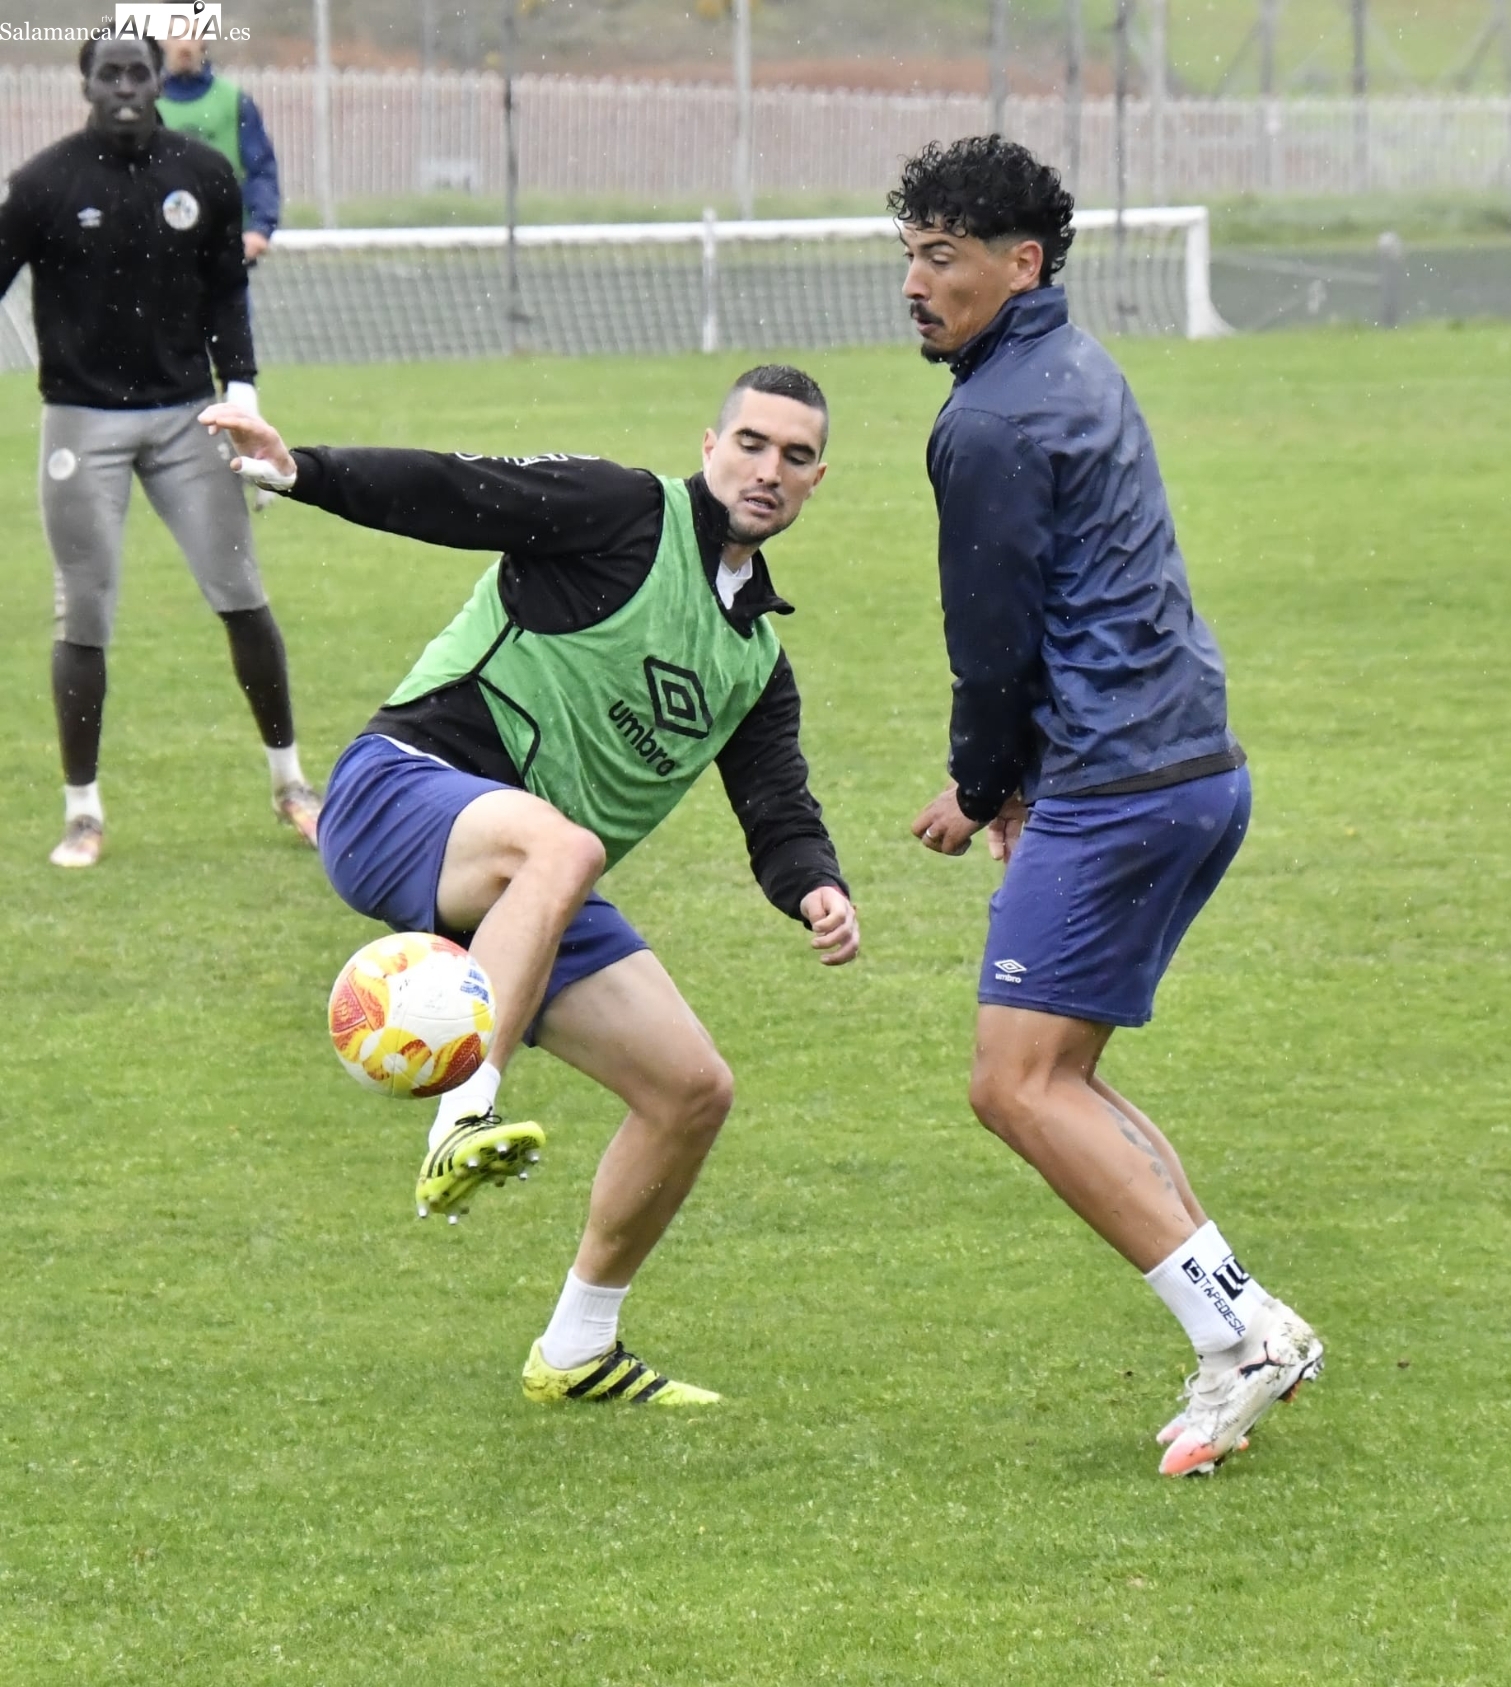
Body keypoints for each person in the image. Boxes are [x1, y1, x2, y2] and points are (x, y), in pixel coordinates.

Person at [199, 364, 859, 1407]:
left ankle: (577, 1348)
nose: (768, 469)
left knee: (692, 1089)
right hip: (398, 792)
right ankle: (463, 1114)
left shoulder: (757, 666)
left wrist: (816, 885)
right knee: (565, 849)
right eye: (751, 443)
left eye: (796, 456)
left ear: (819, 479)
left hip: (532, 885)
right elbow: (457, 491)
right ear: (709, 445)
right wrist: (303, 471)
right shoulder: (622, 510)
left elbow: (777, 804)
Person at [892, 135, 1323, 1478]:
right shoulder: (1073, 365)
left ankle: (1242, 1333)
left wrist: (984, 785)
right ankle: (1239, 1324)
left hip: (1121, 782)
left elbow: (993, 643)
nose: (915, 282)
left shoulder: (988, 419)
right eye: (908, 254)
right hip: (1190, 766)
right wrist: (1012, 780)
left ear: (1021, 263)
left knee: (1013, 1083)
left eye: (942, 256)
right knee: (1060, 1074)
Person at [0, 35, 320, 869]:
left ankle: (292, 784)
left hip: (188, 419)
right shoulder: (41, 184)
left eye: (137, 73)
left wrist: (242, 391)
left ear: (156, 83)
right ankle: (82, 813)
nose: (124, 87)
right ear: (85, 85)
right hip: (80, 422)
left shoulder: (204, 174)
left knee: (242, 596)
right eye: (108, 74)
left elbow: (228, 291)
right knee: (84, 613)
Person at [158, 39, 280, 266]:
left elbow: (260, 170)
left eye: (192, 33)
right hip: (162, 253)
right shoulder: (146, 103)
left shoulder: (234, 101)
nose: (184, 44)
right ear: (161, 40)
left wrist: (260, 227)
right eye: (175, 34)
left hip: (225, 250)